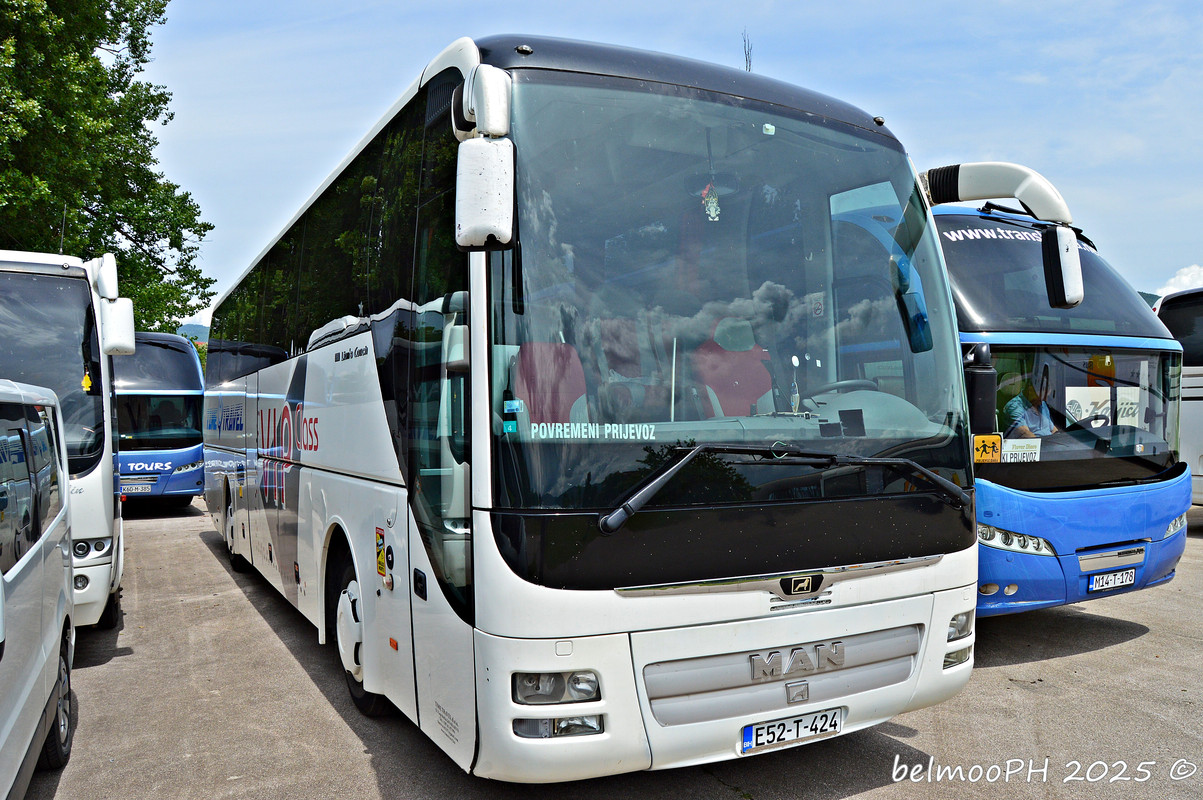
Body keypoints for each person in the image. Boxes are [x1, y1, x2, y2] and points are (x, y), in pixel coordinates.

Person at [1004, 364, 1059, 438]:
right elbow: (1025, 434)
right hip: (1032, 444)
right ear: (1031, 389)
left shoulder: (1042, 403)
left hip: (1050, 443)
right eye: (1042, 396)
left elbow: (1053, 429)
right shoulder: (1014, 406)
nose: (1045, 400)